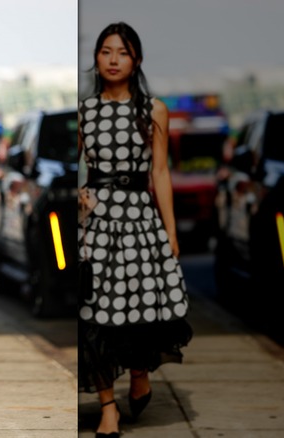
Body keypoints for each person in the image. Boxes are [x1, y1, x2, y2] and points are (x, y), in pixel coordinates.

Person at [77, 22, 193, 437]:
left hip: (141, 220)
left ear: (136, 60)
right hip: (97, 227)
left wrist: (171, 231)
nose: (112, 60)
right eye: (105, 51)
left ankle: (140, 370)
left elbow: (160, 171)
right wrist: (79, 195)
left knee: (140, 310)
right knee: (94, 317)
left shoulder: (153, 110)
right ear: (96, 58)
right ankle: (108, 405)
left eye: (122, 52)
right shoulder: (84, 111)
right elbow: (77, 168)